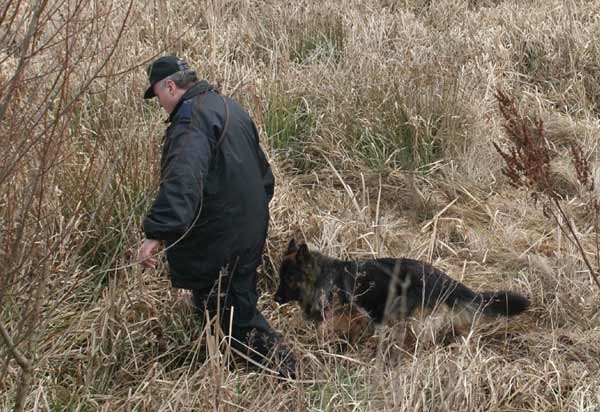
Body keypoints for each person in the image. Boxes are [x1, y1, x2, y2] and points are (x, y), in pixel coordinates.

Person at [137, 55, 296, 378]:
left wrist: (157, 232)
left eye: (158, 95)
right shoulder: (228, 107)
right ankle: (222, 369)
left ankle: (288, 372)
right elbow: (265, 176)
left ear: (171, 86)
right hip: (247, 226)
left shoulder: (191, 121)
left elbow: (182, 180)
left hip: (223, 235)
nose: (160, 105)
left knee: (234, 314)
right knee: (221, 304)